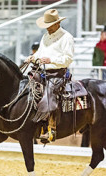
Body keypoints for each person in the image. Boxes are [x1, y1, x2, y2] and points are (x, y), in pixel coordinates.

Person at [26, 9, 74, 142]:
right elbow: (40, 53)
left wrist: (51, 60)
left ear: (57, 24)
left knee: (50, 93)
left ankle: (51, 128)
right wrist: (33, 57)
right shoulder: (45, 36)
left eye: (49, 25)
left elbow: (68, 59)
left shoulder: (66, 37)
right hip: (42, 72)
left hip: (57, 74)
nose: (47, 28)